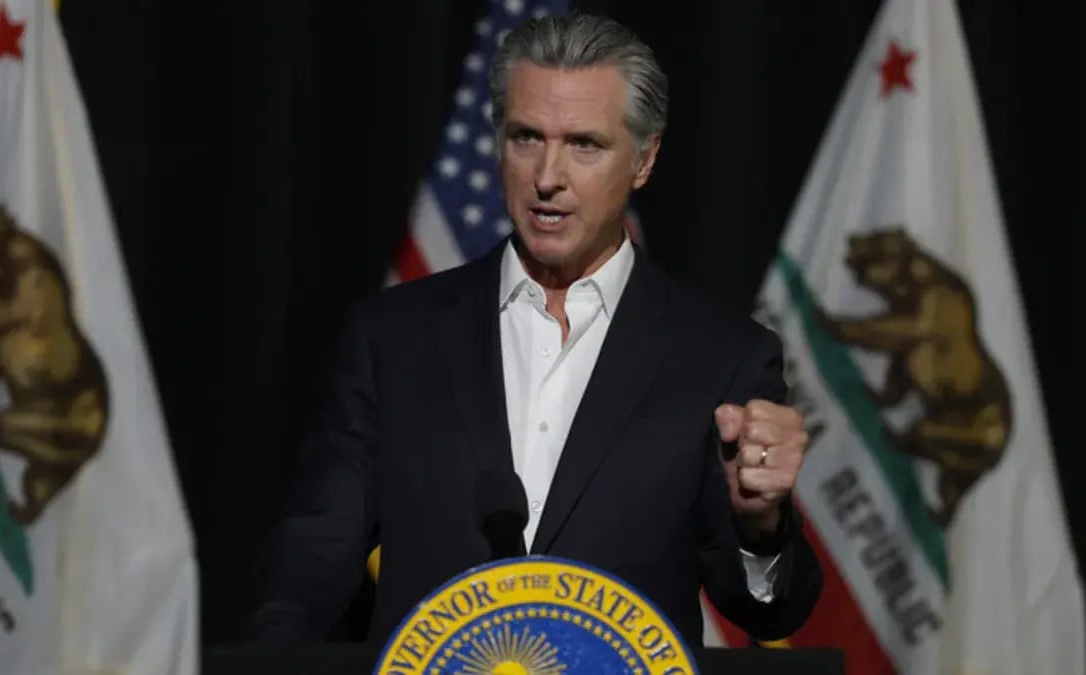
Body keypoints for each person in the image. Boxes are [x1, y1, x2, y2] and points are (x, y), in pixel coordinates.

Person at [248, 12, 821, 648]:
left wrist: (760, 525)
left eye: (584, 144)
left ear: (644, 158)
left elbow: (769, 612)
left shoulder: (722, 357)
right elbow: (313, 553)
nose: (548, 177)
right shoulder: (393, 338)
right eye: (526, 138)